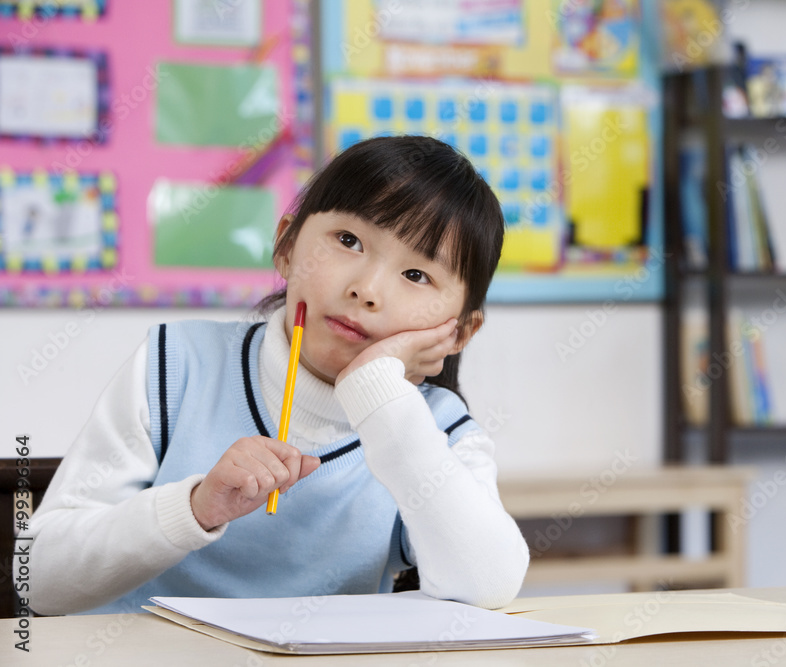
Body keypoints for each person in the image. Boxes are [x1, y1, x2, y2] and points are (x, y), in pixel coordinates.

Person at [22, 136, 530, 615]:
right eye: (349, 240)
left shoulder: (436, 428)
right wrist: (194, 509)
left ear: (460, 331)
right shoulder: (174, 363)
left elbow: (487, 584)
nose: (368, 288)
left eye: (417, 275)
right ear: (286, 245)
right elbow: (38, 578)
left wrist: (379, 394)